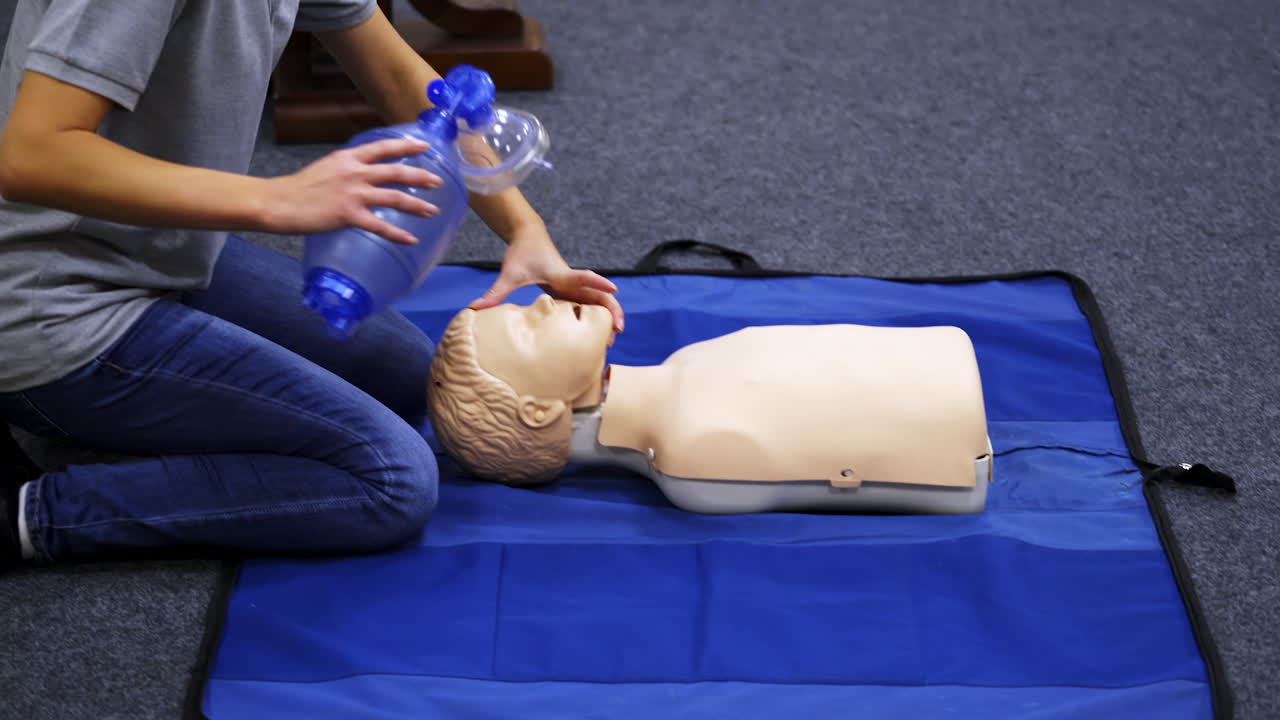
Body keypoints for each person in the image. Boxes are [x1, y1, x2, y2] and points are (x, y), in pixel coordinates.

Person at [0, 0, 624, 572]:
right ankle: (38, 509)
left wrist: (525, 228)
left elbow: (399, 78)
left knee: (409, 375)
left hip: (158, 250)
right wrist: (274, 199)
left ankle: (89, 429)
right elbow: (28, 155)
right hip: (50, 306)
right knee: (394, 481)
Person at [429, 297, 994, 515]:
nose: (546, 299)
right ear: (538, 411)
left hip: (942, 379)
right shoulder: (690, 456)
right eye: (529, 324)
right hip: (947, 429)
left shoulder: (686, 372)